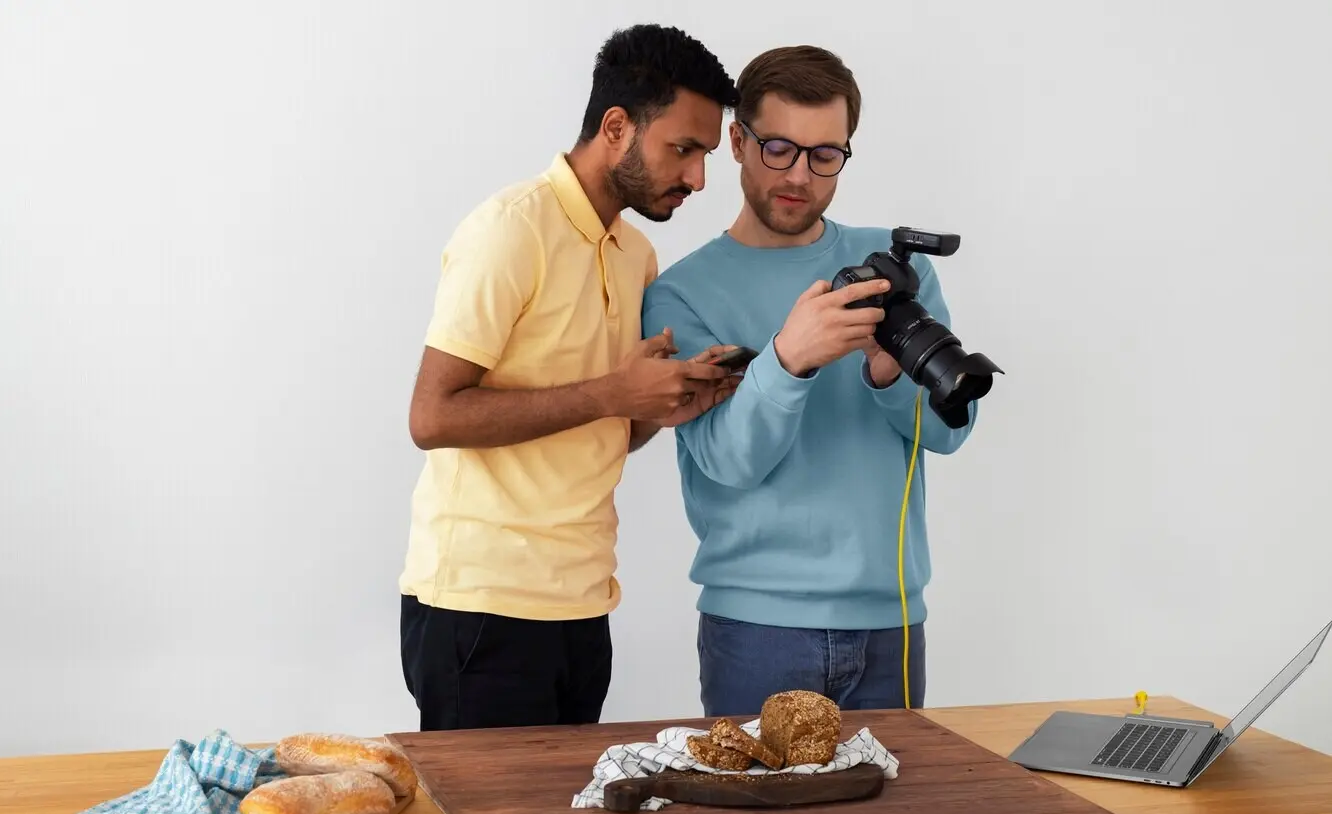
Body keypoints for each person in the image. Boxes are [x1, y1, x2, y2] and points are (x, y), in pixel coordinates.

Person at [398, 24, 744, 731]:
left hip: (583, 606)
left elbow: (602, 427)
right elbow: (431, 418)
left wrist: (659, 406)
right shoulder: (510, 230)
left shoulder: (635, 253)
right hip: (481, 607)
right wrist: (612, 393)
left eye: (705, 155)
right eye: (684, 149)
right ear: (617, 127)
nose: (699, 178)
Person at [640, 45, 984, 718]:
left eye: (825, 155)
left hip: (893, 626)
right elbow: (730, 461)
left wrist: (888, 374)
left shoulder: (889, 263)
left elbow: (949, 433)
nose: (801, 175)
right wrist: (788, 358)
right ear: (737, 142)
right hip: (757, 632)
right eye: (778, 149)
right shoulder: (680, 297)